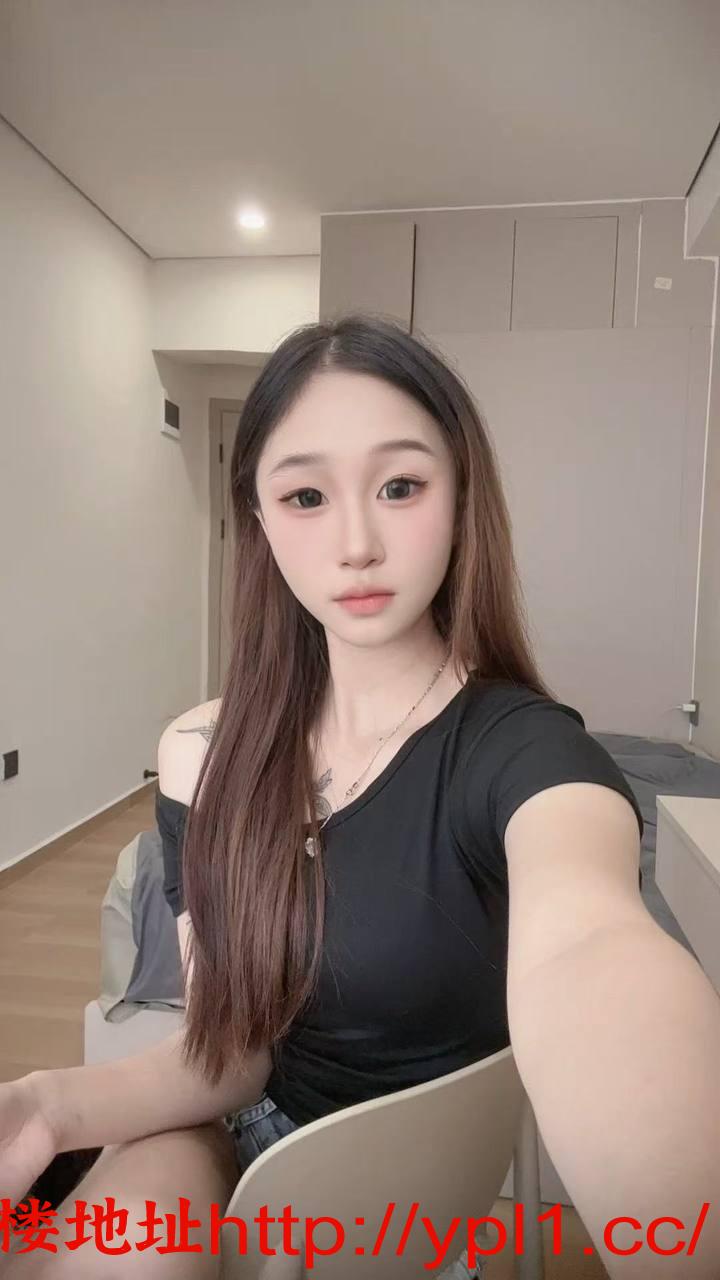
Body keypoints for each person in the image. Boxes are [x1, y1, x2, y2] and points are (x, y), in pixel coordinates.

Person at [1, 315, 719, 1278]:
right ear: (259, 519)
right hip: (219, 1129)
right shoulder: (198, 753)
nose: (356, 544)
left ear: (461, 497)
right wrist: (47, 1107)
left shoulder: (523, 752)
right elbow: (227, 1055)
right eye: (305, 495)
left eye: (401, 486)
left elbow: (592, 945)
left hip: (389, 1202)